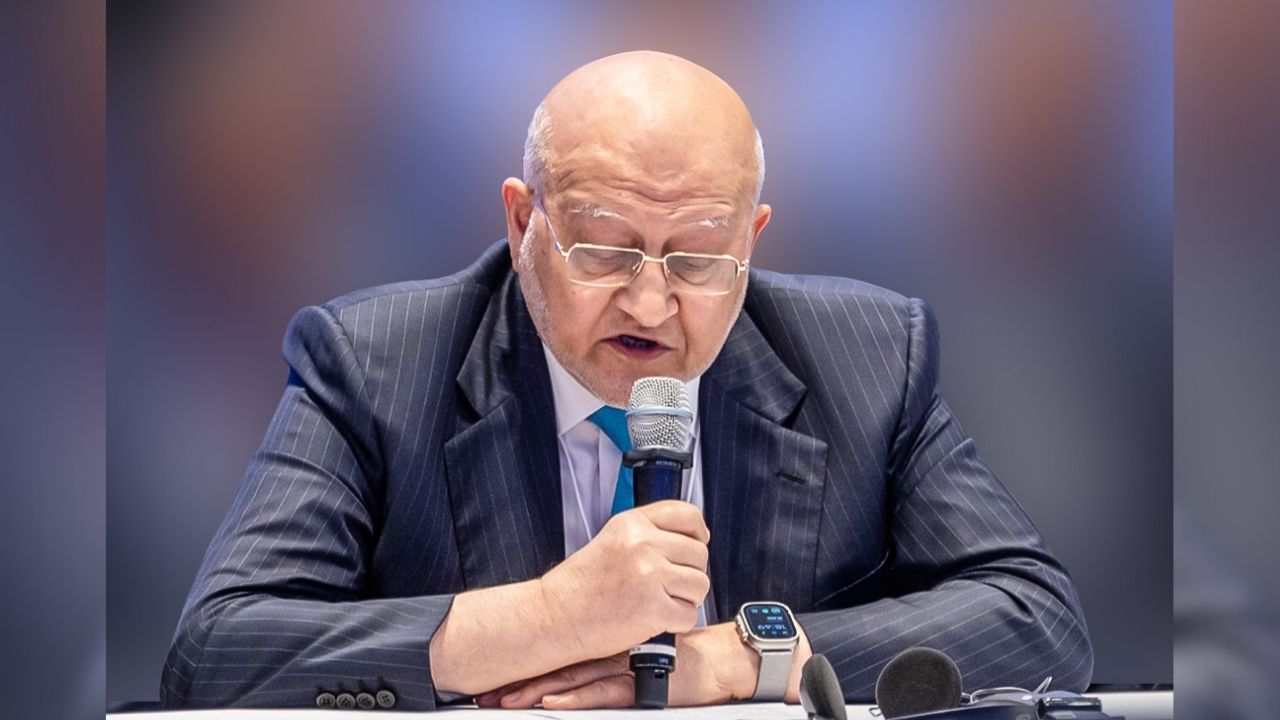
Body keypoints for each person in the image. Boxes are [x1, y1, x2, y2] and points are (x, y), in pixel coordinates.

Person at [161, 51, 1092, 711]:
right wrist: (547, 617)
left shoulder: (868, 357)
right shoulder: (375, 365)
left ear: (752, 241)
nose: (651, 303)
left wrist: (738, 660)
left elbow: (1036, 616)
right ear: (523, 224)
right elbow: (216, 650)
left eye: (697, 259)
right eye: (605, 249)